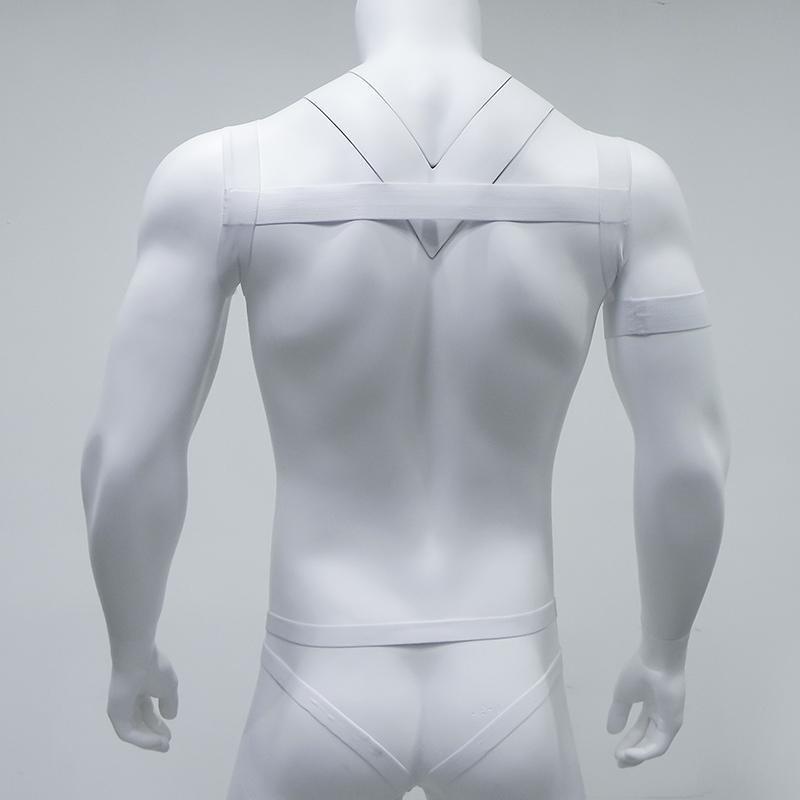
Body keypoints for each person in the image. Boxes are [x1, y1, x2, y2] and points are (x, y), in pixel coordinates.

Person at [81, 1, 729, 798]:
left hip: (318, 672)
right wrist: (666, 653)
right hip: (509, 676)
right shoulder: (624, 186)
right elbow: (690, 463)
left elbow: (127, 457)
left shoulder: (219, 177)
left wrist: (131, 647)